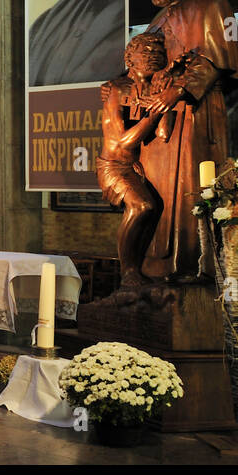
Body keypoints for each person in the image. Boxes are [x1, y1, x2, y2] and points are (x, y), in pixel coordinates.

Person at [136, 0, 238, 282]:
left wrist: (179, 89)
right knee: (157, 191)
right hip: (160, 123)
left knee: (188, 186)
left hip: (193, 113)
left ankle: (190, 264)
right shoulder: (158, 19)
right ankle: (155, 265)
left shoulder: (210, 3)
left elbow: (215, 56)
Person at [97, 34, 176, 297]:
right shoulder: (117, 89)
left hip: (132, 167)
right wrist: (154, 113)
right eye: (146, 49)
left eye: (158, 49)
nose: (154, 53)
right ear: (130, 57)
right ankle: (128, 272)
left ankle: (136, 268)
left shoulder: (151, 88)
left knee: (153, 211)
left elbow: (163, 134)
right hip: (113, 165)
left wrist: (165, 102)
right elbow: (123, 141)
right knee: (142, 206)